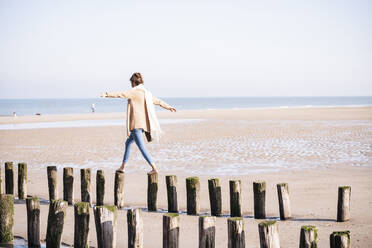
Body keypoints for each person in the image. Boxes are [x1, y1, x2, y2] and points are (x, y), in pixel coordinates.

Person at [100, 72, 176, 174]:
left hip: (136, 125)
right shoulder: (146, 93)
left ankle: (154, 168)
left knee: (141, 147)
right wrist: (168, 107)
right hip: (143, 126)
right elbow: (158, 101)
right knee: (128, 143)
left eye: (131, 83)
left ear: (134, 82)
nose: (131, 85)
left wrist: (106, 94)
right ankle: (122, 167)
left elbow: (120, 94)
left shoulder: (134, 92)